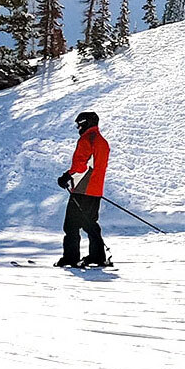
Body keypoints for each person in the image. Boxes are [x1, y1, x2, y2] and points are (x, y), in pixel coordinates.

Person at [56, 111, 111, 268]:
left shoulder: (87, 139)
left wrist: (66, 176)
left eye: (79, 124)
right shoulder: (102, 142)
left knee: (71, 225)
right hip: (95, 190)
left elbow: (80, 165)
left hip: (82, 189)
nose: (78, 128)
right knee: (90, 223)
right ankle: (97, 256)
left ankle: (71, 258)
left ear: (85, 123)